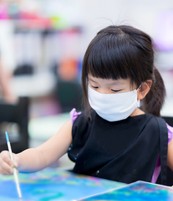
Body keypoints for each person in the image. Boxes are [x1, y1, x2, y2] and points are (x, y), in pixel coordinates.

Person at [0, 25, 173, 185]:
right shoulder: (80, 124)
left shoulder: (159, 133)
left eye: (114, 89)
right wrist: (16, 160)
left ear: (142, 89)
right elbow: (42, 155)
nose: (102, 95)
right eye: (95, 85)